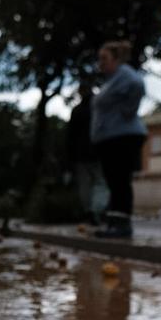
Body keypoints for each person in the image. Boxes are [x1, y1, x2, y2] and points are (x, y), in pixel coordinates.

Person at [90, 41, 147, 239]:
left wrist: (128, 111)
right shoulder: (112, 79)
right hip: (111, 138)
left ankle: (122, 225)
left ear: (116, 59)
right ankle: (114, 223)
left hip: (122, 137)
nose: (100, 63)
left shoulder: (124, 74)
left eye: (104, 58)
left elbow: (138, 85)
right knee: (114, 183)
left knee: (120, 181)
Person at [66, 82, 108, 225]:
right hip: (97, 151)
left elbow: (70, 136)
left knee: (86, 184)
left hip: (81, 154)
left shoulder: (77, 110)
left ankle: (89, 210)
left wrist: (70, 157)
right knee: (100, 182)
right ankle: (97, 210)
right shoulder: (98, 107)